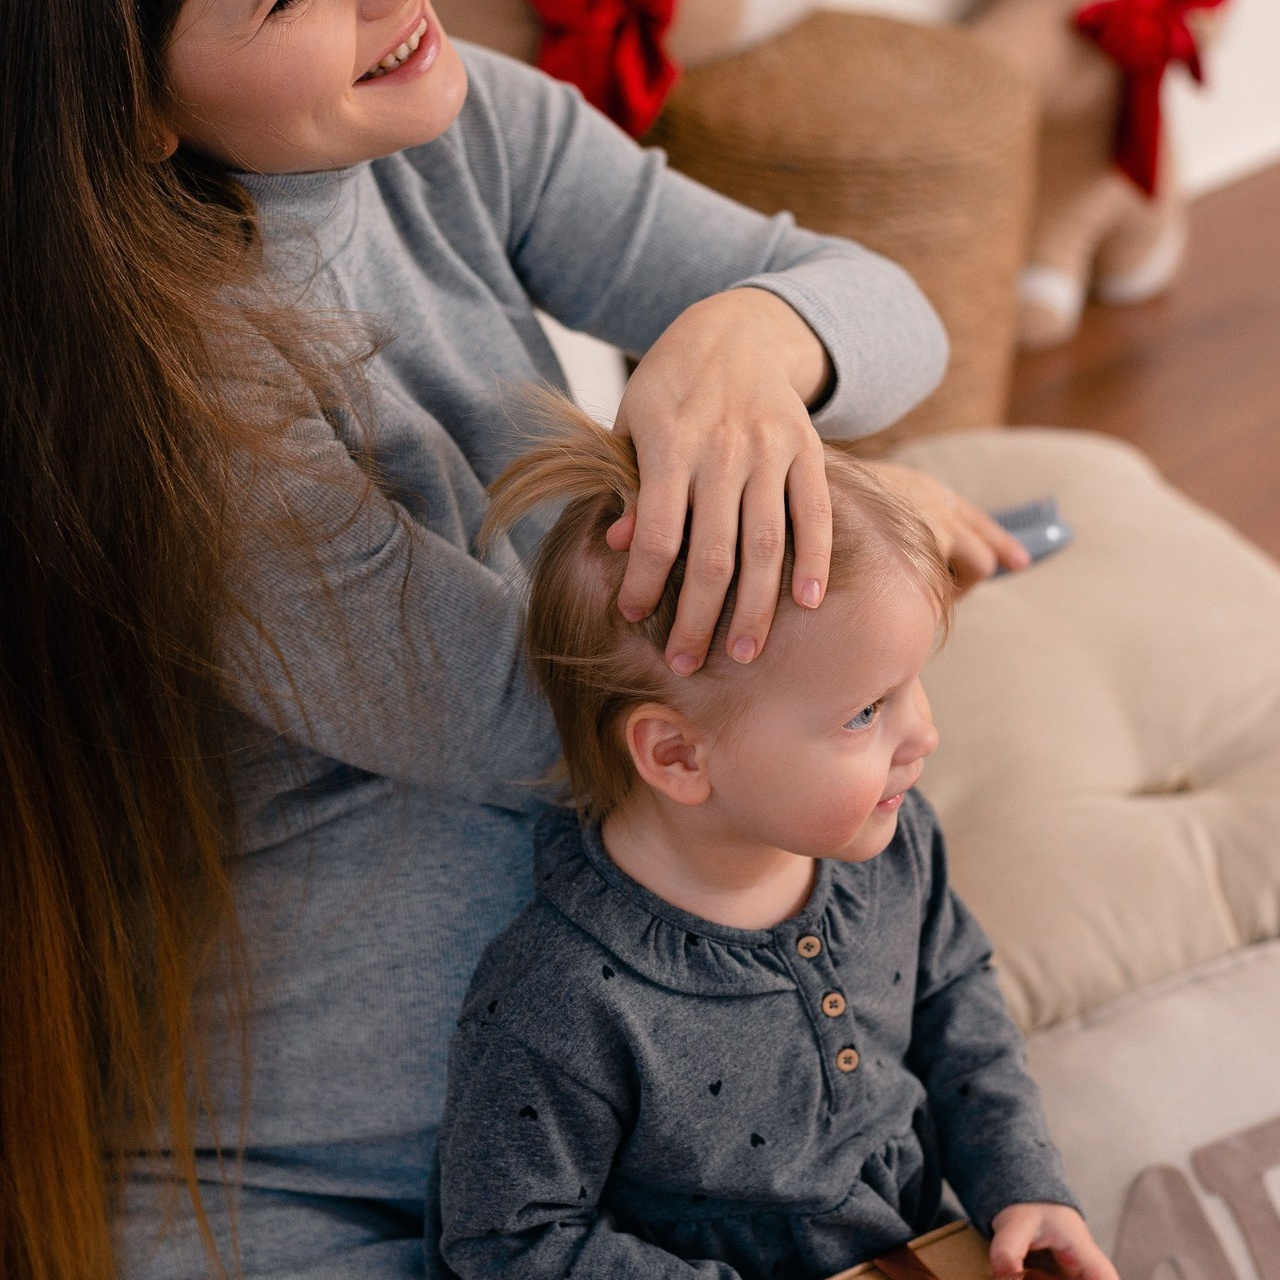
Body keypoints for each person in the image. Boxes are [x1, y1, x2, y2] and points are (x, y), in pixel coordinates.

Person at [0, 1, 1029, 1277]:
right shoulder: (158, 386)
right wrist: (875, 539)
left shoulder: (458, 119)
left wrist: (745, 340)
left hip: (632, 1148)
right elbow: (546, 714)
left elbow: (891, 313)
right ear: (128, 104)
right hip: (316, 1179)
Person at [438, 394, 1117, 1280]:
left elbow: (955, 998)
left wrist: (1022, 1184)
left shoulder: (894, 842)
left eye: (912, 685)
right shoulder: (559, 1000)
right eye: (865, 712)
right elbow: (507, 1238)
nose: (923, 735)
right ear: (678, 755)